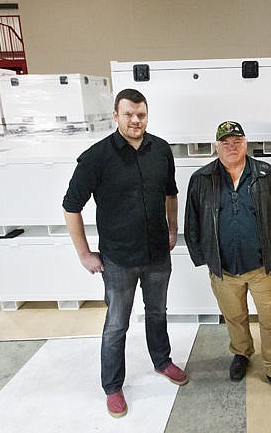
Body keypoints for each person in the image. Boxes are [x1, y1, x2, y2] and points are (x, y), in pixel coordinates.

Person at [62, 88, 188, 419]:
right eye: (129, 114)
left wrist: (173, 228)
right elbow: (71, 206)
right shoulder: (96, 157)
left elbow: (171, 193)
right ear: (115, 115)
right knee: (117, 324)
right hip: (118, 259)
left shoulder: (160, 150)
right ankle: (113, 386)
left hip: (158, 253)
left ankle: (162, 361)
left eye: (141, 114)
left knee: (158, 312)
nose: (136, 120)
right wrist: (84, 254)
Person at [184, 120, 271, 399]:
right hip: (224, 268)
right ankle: (242, 353)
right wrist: (205, 258)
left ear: (246, 143)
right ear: (216, 146)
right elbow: (193, 223)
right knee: (234, 316)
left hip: (263, 266)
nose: (232, 147)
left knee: (270, 320)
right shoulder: (201, 179)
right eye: (226, 143)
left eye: (237, 142)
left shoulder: (266, 174)